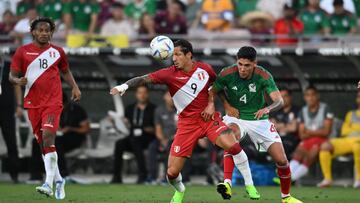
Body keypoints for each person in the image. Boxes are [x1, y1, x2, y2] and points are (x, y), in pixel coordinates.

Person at [110, 39, 250, 203]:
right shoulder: (168, 73)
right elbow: (143, 79)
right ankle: (180, 190)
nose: (174, 58)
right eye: (172, 55)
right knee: (171, 173)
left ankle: (245, 184)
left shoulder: (205, 69)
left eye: (177, 54)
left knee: (232, 145)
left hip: (208, 119)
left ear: (189, 54)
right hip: (186, 126)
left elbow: (216, 85)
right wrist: (123, 87)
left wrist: (217, 104)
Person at [211, 46, 302, 203]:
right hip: (236, 117)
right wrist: (226, 105)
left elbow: (279, 100)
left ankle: (286, 197)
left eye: (247, 65)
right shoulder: (227, 73)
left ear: (255, 63)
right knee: (231, 136)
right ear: (236, 62)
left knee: (282, 160)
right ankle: (227, 183)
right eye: (240, 64)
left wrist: (267, 108)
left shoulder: (263, 75)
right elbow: (214, 89)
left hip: (259, 121)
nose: (242, 69)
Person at [9, 17, 81, 199]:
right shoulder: (22, 52)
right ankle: (59, 180)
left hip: (53, 102)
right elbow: (12, 75)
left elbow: (65, 70)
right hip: (33, 103)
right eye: (40, 30)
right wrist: (18, 80)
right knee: (43, 144)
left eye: (47, 30)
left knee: (48, 138)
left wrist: (74, 86)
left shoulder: (57, 52)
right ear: (33, 32)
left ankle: (48, 184)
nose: (44, 33)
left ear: (51, 32)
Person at [111, 85, 156, 184]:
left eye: (144, 93)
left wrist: (149, 129)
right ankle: (116, 177)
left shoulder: (153, 109)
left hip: (147, 138)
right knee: (119, 143)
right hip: (132, 137)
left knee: (136, 141)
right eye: (140, 93)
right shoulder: (130, 108)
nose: (142, 95)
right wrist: (118, 122)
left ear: (148, 94)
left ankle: (142, 175)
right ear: (136, 94)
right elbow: (127, 126)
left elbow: (157, 127)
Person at [289, 86, 333, 183]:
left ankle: (291, 178)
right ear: (305, 97)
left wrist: (309, 132)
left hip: (322, 141)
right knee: (298, 152)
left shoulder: (325, 108)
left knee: (311, 153)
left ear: (317, 96)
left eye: (313, 95)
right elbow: (302, 135)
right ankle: (286, 176)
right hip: (308, 140)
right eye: (308, 95)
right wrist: (317, 132)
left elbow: (326, 132)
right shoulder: (303, 111)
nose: (310, 98)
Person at [317, 90, 360, 188]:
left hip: (357, 144)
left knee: (358, 147)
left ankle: (358, 179)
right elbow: (345, 131)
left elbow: (350, 130)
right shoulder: (351, 114)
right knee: (325, 146)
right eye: (358, 96)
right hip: (349, 141)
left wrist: (354, 131)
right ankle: (327, 179)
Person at [56, 93, 90, 178]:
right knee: (36, 142)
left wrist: (70, 129)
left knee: (57, 143)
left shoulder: (77, 110)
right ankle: (36, 174)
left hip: (74, 138)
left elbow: (86, 129)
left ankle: (63, 173)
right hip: (58, 137)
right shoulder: (54, 110)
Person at [147, 90, 177, 183]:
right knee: (152, 147)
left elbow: (183, 129)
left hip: (177, 139)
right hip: (162, 138)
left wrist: (171, 139)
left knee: (170, 147)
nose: (171, 98)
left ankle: (167, 177)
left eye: (174, 95)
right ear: (164, 97)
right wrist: (162, 140)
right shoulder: (159, 110)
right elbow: (158, 128)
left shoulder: (181, 110)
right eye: (169, 95)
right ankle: (151, 177)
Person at [0, 57, 21, 183]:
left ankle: (15, 175)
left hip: (7, 110)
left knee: (11, 142)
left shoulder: (9, 66)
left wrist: (19, 105)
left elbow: (17, 86)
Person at [270, 88, 300, 160]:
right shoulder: (275, 111)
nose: (283, 99)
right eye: (281, 96)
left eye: (285, 96)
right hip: (277, 139)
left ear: (290, 97)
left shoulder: (297, 110)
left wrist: (279, 125)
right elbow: (272, 127)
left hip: (291, 140)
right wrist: (287, 125)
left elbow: (293, 128)